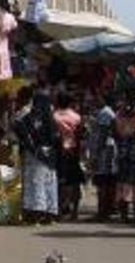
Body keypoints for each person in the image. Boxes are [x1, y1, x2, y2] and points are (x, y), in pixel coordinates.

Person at [12, 86, 59, 224]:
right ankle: (50, 214)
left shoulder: (28, 116)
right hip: (49, 152)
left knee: (35, 182)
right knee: (49, 183)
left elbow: (24, 134)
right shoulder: (47, 114)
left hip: (36, 153)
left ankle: (36, 214)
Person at [116, 93, 135, 223]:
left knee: (126, 183)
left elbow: (117, 133)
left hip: (126, 152)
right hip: (134, 152)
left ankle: (126, 216)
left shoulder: (119, 116)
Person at [54, 92, 84, 220]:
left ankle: (60, 210)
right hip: (73, 150)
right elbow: (80, 135)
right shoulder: (76, 117)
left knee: (60, 181)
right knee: (75, 181)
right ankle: (75, 211)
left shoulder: (53, 116)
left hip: (59, 151)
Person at [88, 95, 118, 221]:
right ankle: (105, 211)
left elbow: (103, 134)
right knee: (106, 181)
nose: (93, 101)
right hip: (105, 150)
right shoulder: (104, 112)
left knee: (103, 182)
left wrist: (96, 154)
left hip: (105, 151)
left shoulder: (105, 113)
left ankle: (103, 212)